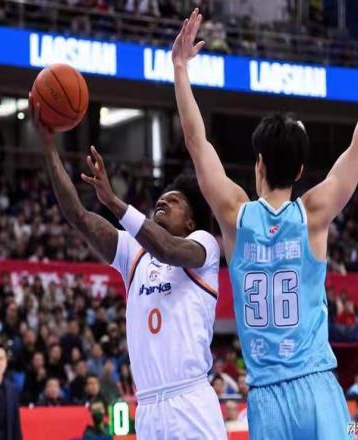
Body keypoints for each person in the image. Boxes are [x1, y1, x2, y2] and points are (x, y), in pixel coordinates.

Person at [172, 8, 358, 439]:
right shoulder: (313, 214)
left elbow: (197, 143)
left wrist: (180, 68)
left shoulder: (235, 215)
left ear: (258, 164)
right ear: (300, 170)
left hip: (268, 397)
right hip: (316, 386)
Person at [30, 100, 226, 439]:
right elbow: (79, 217)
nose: (162, 202)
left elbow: (167, 249)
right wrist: (48, 145)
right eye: (160, 199)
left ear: (191, 222)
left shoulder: (203, 246)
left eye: (174, 201)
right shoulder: (133, 253)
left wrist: (113, 201)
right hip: (147, 407)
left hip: (191, 400)